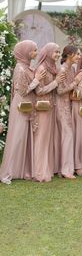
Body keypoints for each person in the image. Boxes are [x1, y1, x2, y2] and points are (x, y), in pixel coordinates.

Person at [0, 40, 45, 184]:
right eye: (34, 50)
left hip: (28, 105)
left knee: (26, 137)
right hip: (21, 106)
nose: (36, 53)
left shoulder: (27, 67)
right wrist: (37, 80)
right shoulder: (20, 68)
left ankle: (24, 171)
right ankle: (6, 173)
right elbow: (23, 91)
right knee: (17, 138)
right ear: (26, 51)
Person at [34, 42, 65, 182]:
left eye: (59, 52)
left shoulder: (53, 68)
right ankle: (40, 171)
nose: (58, 55)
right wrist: (56, 82)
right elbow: (39, 91)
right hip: (43, 108)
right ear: (47, 53)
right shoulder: (42, 68)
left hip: (51, 107)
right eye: (55, 52)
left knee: (49, 138)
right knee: (42, 138)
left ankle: (49, 168)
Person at [55, 46, 81, 179]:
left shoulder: (72, 69)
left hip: (68, 104)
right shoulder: (63, 69)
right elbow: (59, 91)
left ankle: (63, 168)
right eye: (77, 54)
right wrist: (75, 83)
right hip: (61, 106)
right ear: (70, 55)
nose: (79, 57)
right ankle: (66, 170)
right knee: (67, 135)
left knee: (66, 136)